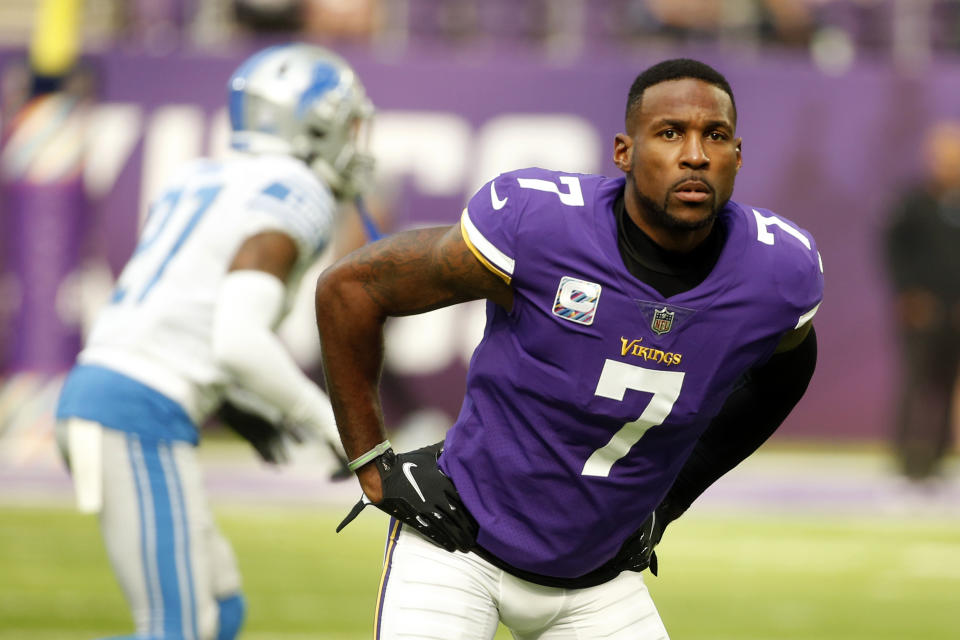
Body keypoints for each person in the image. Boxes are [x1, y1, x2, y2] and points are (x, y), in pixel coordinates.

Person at [316, 58, 822, 639]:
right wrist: (371, 464)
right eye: (669, 133)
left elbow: (788, 369)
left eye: (715, 135)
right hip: (458, 547)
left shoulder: (775, 272)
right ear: (624, 152)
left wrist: (672, 497)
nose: (694, 155)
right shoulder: (542, 228)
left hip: (599, 580)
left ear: (737, 154)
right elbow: (349, 289)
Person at [54, 43, 373, 640]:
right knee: (178, 629)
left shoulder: (203, 174)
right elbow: (237, 342)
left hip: (112, 395)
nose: (357, 140)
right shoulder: (296, 188)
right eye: (347, 121)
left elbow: (187, 316)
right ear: (314, 122)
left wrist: (241, 402)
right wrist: (337, 429)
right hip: (136, 410)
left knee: (219, 615)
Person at [883, 119, 960, 482]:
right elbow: (894, 250)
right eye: (944, 157)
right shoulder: (912, 203)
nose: (950, 164)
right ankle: (905, 461)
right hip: (922, 310)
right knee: (916, 384)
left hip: (955, 311)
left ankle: (938, 460)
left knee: (947, 386)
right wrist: (908, 293)